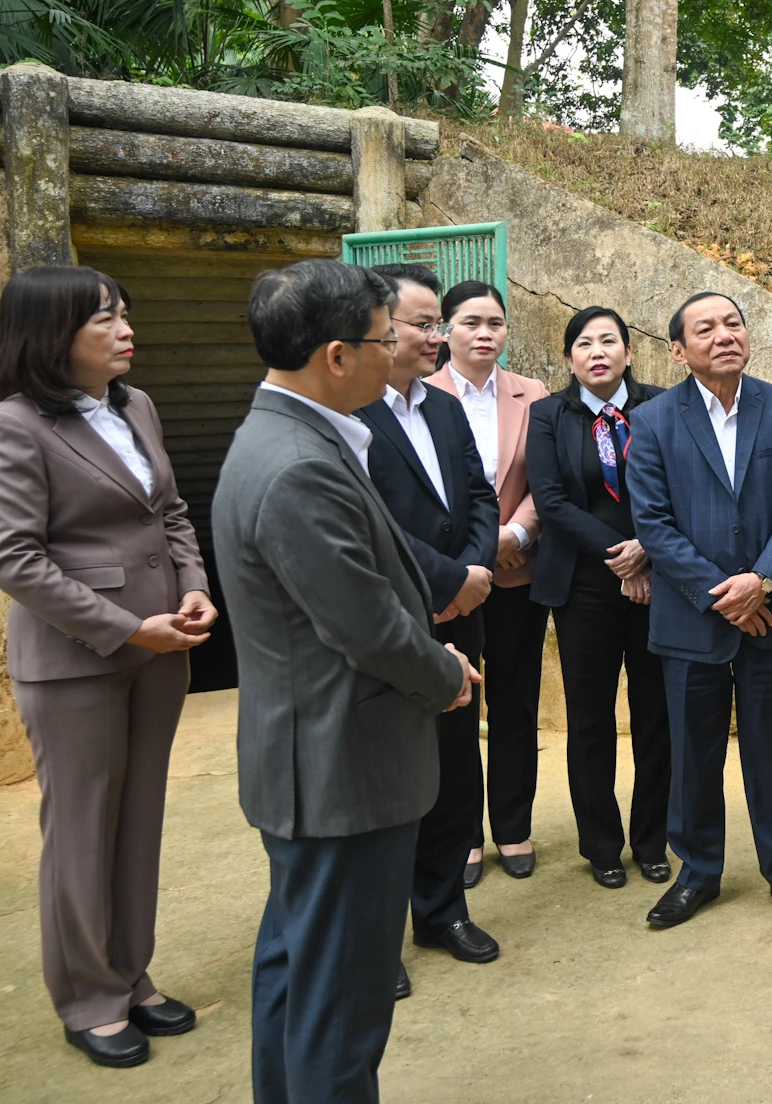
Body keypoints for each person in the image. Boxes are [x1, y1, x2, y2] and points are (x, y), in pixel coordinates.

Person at [213, 259, 475, 1104]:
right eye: (384, 338)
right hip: (340, 770)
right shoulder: (299, 466)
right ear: (334, 355)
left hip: (316, 762)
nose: (400, 350)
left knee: (296, 978)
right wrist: (446, 675)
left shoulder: (296, 436)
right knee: (340, 1012)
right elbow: (364, 623)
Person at [0, 266, 216, 1069]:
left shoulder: (139, 406)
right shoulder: (17, 425)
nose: (126, 329)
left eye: (126, 313)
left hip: (162, 649)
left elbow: (172, 512)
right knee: (82, 832)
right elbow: (16, 558)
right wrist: (129, 628)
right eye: (106, 318)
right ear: (52, 334)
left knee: (139, 822)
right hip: (77, 661)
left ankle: (131, 975)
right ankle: (88, 998)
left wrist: (194, 589)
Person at [625, 291, 772, 929]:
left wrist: (763, 582)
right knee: (694, 752)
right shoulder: (656, 419)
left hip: (768, 616)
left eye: (733, 323)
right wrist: (725, 594)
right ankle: (697, 872)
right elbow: (654, 526)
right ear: (678, 350)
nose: (724, 335)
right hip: (693, 620)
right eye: (706, 328)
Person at [354, 263, 501, 985]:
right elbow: (369, 524)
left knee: (452, 764)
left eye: (437, 323)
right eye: (423, 324)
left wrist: (472, 577)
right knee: (392, 778)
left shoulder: (443, 407)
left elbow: (479, 495)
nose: (437, 337)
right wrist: (445, 582)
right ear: (377, 330)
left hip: (462, 608)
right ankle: (379, 941)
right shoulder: (348, 414)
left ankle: (443, 912)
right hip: (394, 621)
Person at [524, 307, 672, 888]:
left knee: (655, 714)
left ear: (630, 353)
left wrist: (649, 551)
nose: (597, 351)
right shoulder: (547, 415)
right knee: (590, 719)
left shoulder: (661, 407)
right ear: (568, 359)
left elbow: (676, 487)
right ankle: (602, 845)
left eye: (609, 340)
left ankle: (653, 839)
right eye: (583, 344)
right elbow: (552, 501)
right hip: (585, 584)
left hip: (659, 580)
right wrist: (623, 554)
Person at [427, 281, 551, 883]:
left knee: (516, 702)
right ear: (445, 329)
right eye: (471, 322)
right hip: (450, 581)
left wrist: (516, 536)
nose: (485, 334)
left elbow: (547, 483)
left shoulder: (534, 394)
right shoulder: (417, 396)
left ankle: (513, 826)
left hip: (518, 573)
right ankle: (464, 834)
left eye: (495, 323)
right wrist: (474, 555)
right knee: (455, 705)